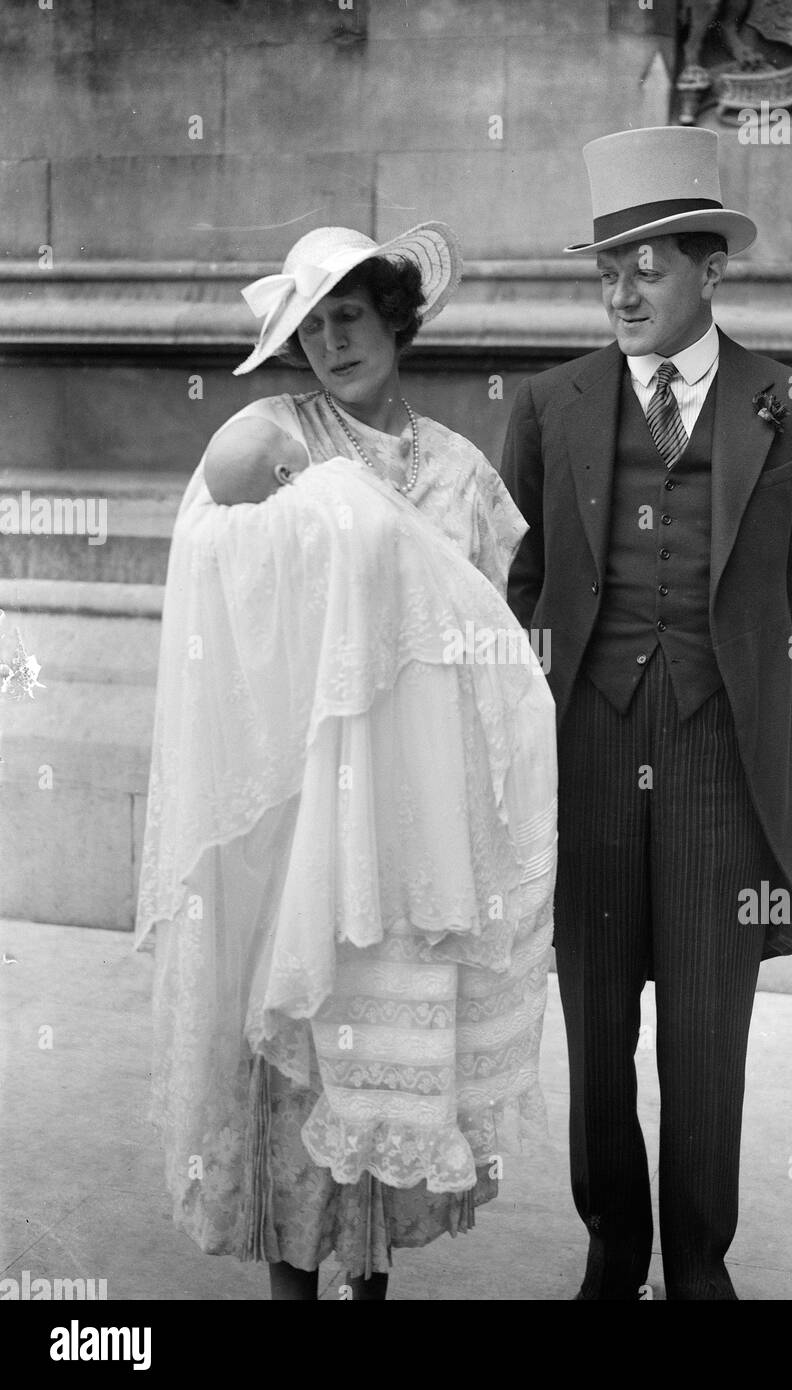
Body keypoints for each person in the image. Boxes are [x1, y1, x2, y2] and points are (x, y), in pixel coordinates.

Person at [136, 222, 557, 1301]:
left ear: (395, 320)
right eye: (311, 326)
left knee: (392, 1051)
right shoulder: (274, 436)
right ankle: (290, 1289)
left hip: (416, 822)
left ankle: (370, 1287)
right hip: (308, 809)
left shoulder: (461, 472)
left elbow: (499, 640)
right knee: (304, 1054)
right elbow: (218, 578)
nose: (332, 341)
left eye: (350, 317)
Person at [501, 127, 792, 1300]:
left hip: (718, 759)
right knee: (598, 1034)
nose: (621, 290)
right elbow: (523, 576)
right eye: (607, 268)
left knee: (709, 1035)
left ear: (711, 270)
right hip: (587, 756)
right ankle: (615, 1244)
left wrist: (732, 677)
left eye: (647, 266)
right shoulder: (550, 405)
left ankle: (699, 1259)